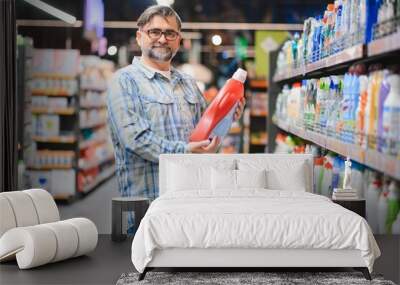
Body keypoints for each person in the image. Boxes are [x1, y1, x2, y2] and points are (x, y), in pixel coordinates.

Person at [107, 5, 245, 232]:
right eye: (155, 32)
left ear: (179, 41)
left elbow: (204, 135)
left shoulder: (188, 83)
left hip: (191, 203)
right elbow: (136, 140)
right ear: (139, 36)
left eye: (170, 33)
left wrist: (226, 118)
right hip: (149, 208)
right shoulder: (123, 82)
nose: (162, 39)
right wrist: (187, 152)